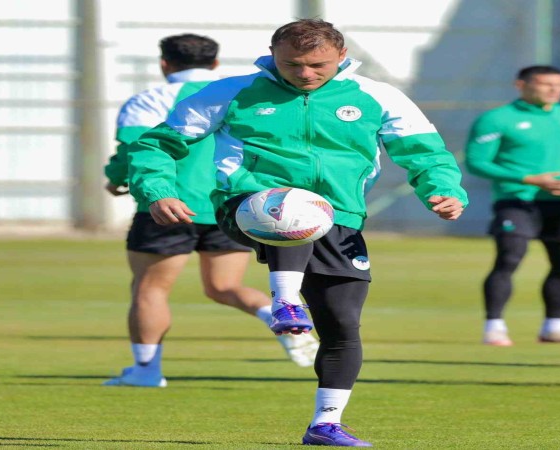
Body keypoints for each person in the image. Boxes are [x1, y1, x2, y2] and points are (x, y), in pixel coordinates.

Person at [127, 19, 467, 447]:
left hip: (339, 216)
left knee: (342, 323)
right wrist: (157, 190)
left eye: (317, 65)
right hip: (247, 203)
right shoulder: (230, 92)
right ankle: (285, 302)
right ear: (272, 54)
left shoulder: (378, 96)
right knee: (291, 208)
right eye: (292, 64)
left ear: (342, 55)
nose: (305, 74)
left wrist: (444, 191)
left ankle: (326, 423)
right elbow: (156, 144)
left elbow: (427, 154)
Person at [102, 33, 319, 388]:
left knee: (150, 289)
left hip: (168, 205)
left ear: (164, 64)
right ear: (215, 63)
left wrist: (115, 179)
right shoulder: (236, 93)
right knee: (224, 286)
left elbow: (133, 149)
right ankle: (281, 317)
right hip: (231, 206)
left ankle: (146, 370)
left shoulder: (150, 100)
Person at [465, 66, 560, 346]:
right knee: (509, 258)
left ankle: (554, 326)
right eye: (546, 84)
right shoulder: (497, 119)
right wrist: (528, 178)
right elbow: (476, 162)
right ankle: (494, 326)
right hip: (517, 200)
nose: (554, 90)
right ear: (521, 85)